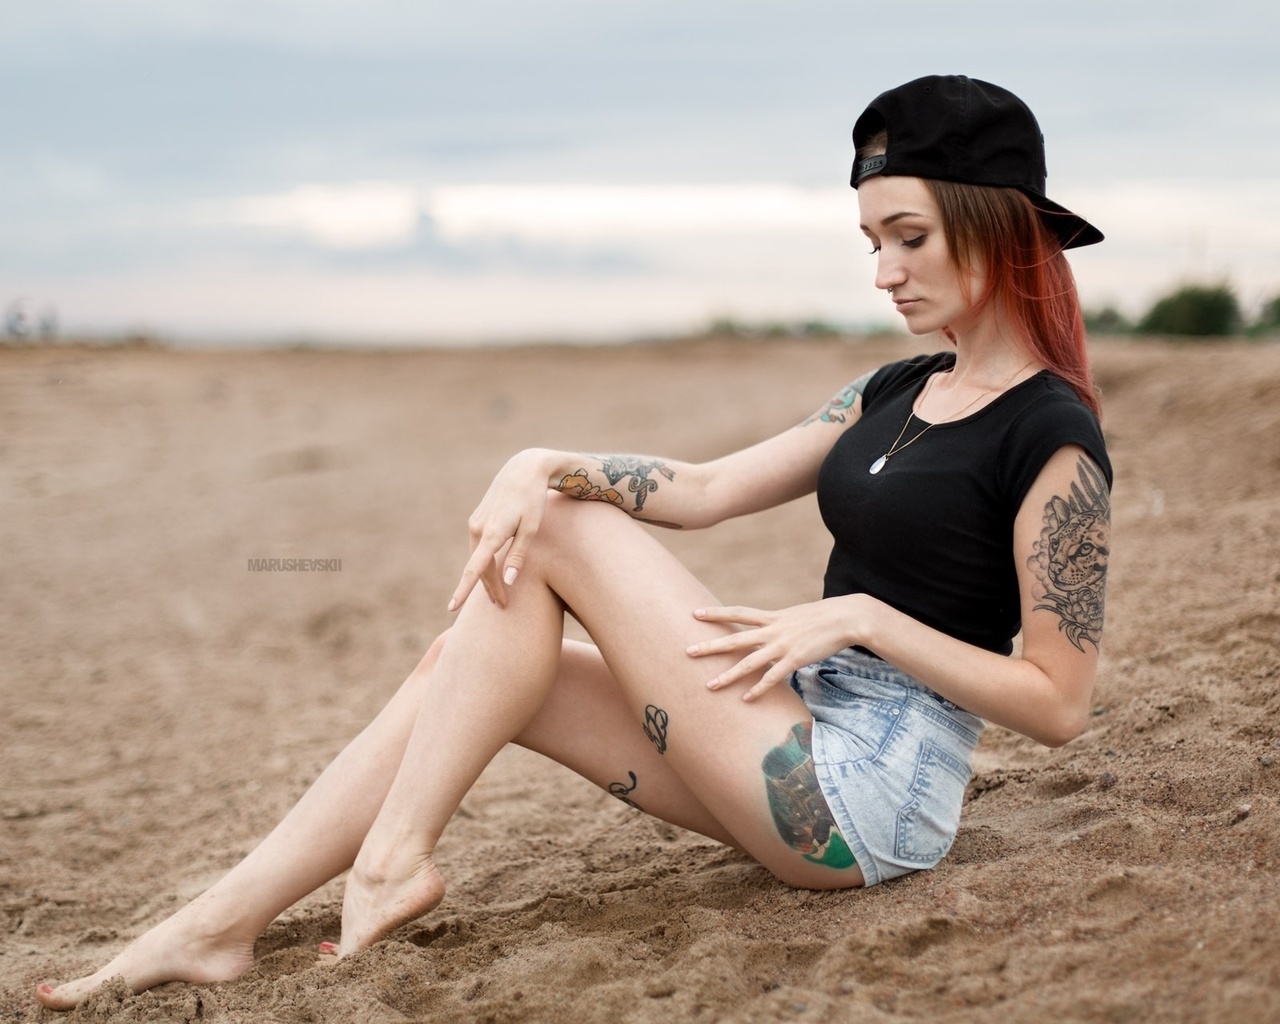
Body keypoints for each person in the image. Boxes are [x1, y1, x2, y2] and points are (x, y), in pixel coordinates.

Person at [37, 74, 1112, 1010]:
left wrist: (866, 618)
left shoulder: (1048, 433)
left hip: (868, 798)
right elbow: (699, 490)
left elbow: (1057, 704)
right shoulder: (894, 388)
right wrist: (535, 458)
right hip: (787, 745)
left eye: (908, 238)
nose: (882, 272)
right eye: (871, 243)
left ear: (996, 224)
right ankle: (218, 925)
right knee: (467, 660)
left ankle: (391, 863)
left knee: (549, 530)